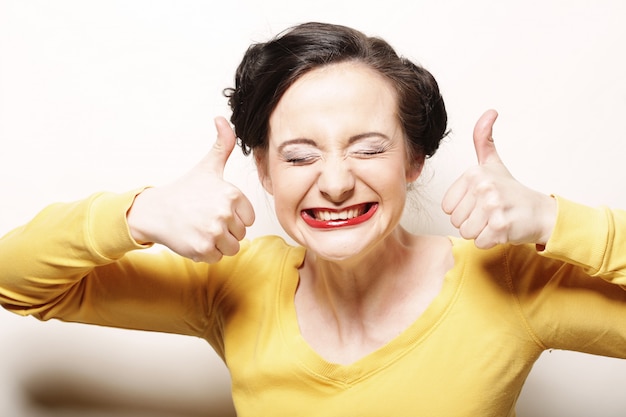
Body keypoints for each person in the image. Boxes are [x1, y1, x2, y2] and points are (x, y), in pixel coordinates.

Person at [1, 21, 626, 416]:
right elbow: (16, 282)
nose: (333, 181)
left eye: (369, 148)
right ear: (266, 173)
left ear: (414, 160)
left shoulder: (509, 283)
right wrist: (136, 214)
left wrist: (553, 218)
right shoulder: (233, 283)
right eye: (299, 155)